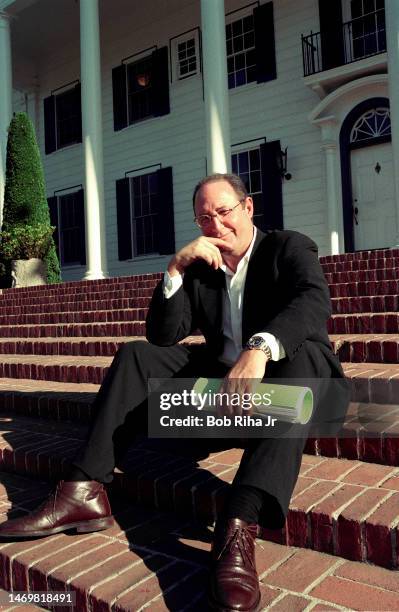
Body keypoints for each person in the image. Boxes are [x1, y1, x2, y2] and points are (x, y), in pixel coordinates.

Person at [0, 173, 349, 612]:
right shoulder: (202, 267)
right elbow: (164, 335)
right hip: (225, 395)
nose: (215, 224)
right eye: (204, 217)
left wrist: (259, 348)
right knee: (137, 356)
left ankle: (237, 525)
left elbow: (312, 302)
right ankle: (83, 489)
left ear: (248, 208)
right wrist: (174, 270)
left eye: (223, 211)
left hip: (298, 392)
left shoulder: (289, 247)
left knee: (304, 360)